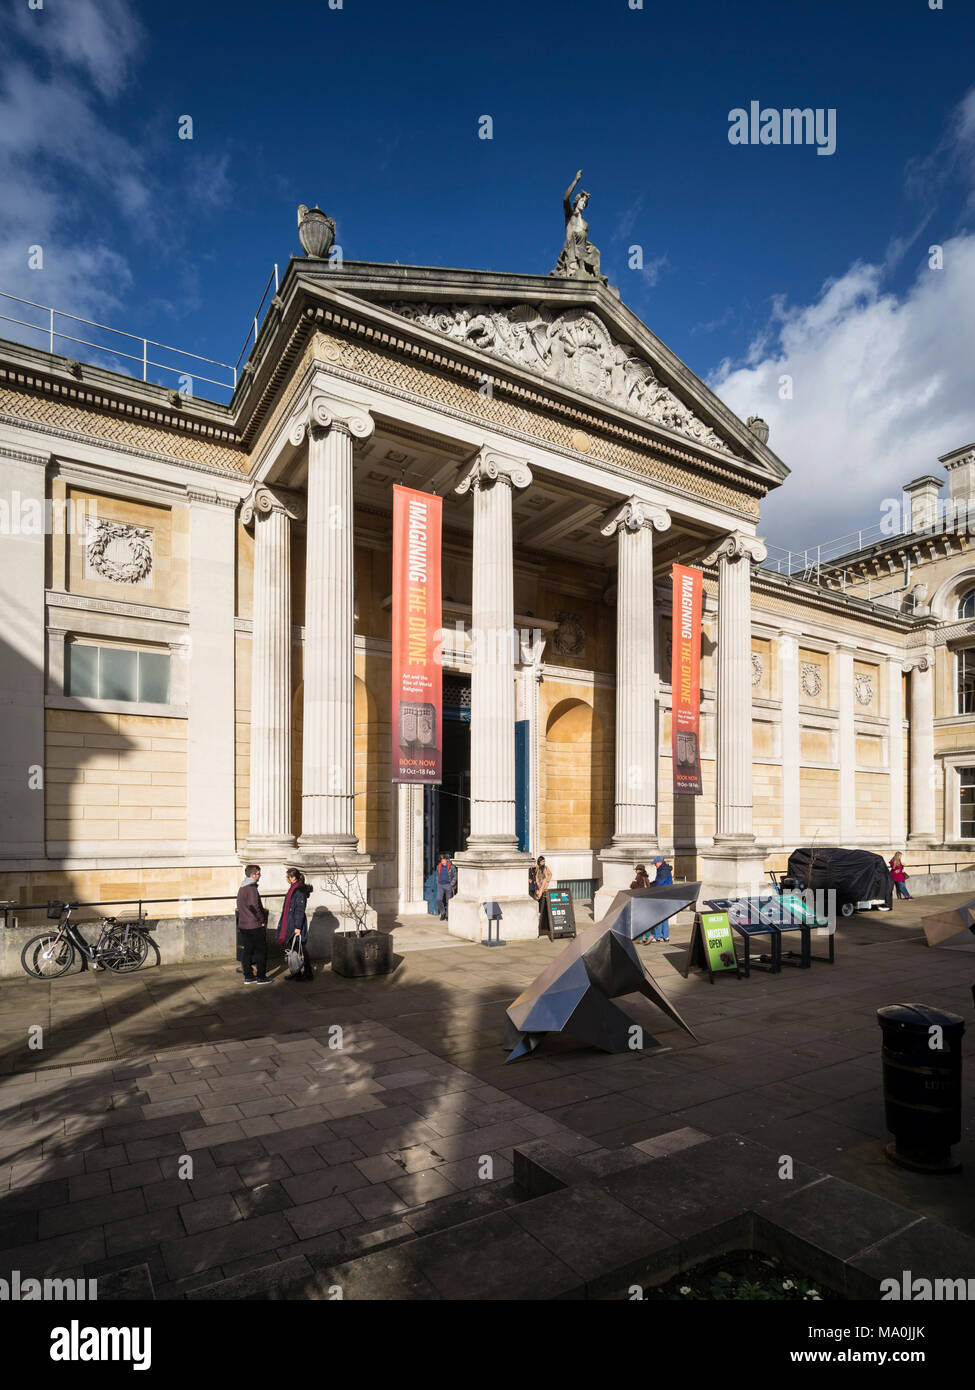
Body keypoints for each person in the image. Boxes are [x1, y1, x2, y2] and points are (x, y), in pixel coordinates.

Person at [278, 867, 314, 980]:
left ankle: (308, 974)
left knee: (301, 949)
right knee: (294, 950)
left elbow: (299, 910)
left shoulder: (299, 891)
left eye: (287, 877)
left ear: (293, 878)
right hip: (290, 924)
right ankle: (296, 972)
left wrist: (298, 927)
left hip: (296, 925)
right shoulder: (293, 888)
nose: (286, 879)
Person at [236, 863, 270, 983]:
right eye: (258, 873)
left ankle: (248, 976)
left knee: (248, 951)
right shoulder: (251, 888)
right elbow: (254, 906)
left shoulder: (242, 887)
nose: (260, 875)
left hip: (244, 925)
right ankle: (261, 977)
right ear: (253, 875)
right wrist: (261, 920)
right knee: (261, 951)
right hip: (254, 925)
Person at [650, 854, 674, 943]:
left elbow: (659, 883)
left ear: (659, 862)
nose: (654, 865)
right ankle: (666, 936)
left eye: (655, 863)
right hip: (667, 895)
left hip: (662, 895)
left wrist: (650, 885)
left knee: (658, 916)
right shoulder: (664, 869)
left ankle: (657, 936)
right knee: (664, 916)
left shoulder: (663, 870)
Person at [435, 851, 458, 921]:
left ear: (446, 859)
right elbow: (437, 875)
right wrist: (437, 882)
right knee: (439, 899)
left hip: (448, 885)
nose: (442, 861)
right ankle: (443, 913)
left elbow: (455, 876)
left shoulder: (451, 867)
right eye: (441, 860)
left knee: (448, 901)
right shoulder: (438, 866)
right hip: (440, 885)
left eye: (443, 859)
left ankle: (448, 915)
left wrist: (451, 884)